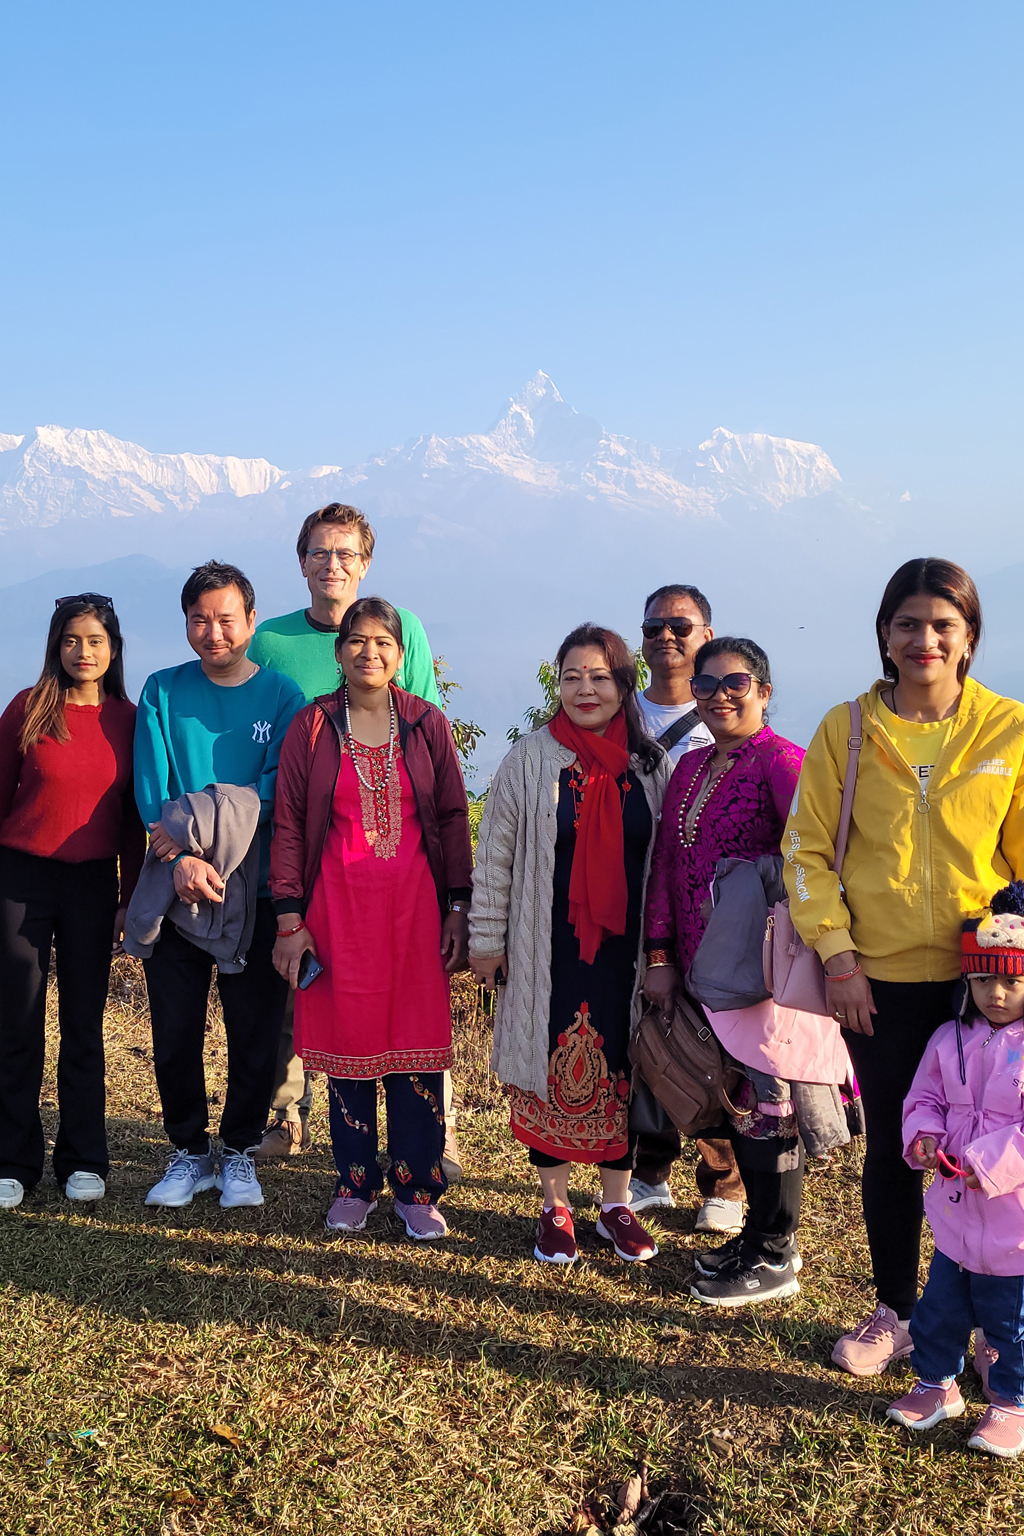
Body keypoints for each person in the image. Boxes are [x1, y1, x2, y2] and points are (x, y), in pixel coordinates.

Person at [784, 557, 1024, 1374]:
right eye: (908, 624)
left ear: (969, 639)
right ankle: (896, 1309)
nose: (925, 639)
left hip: (983, 984)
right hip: (876, 984)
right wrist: (839, 957)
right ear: (884, 637)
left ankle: (994, 1328)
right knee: (897, 1145)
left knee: (995, 1152)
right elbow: (807, 852)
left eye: (942, 625)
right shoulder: (846, 729)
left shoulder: (1008, 730)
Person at [246, 502, 458, 1171]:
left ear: (364, 563)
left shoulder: (408, 637)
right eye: (318, 552)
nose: (331, 564)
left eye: (345, 554)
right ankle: (288, 1115)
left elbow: (426, 755)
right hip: (311, 858)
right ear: (301, 561)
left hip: (402, 877)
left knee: (412, 999)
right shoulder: (271, 643)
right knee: (304, 989)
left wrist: (457, 895)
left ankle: (433, 1137)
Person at [469, 624, 673, 1265]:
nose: (586, 690)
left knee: (622, 1067)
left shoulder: (648, 766)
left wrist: (666, 953)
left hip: (626, 951)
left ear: (624, 685)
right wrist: (486, 939)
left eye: (601, 677)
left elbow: (666, 865)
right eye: (572, 677)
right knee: (545, 1068)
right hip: (543, 947)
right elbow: (495, 856)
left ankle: (615, 1204)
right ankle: (554, 1203)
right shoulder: (530, 760)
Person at [269, 597, 471, 1239]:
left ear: (400, 654)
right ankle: (355, 1182)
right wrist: (289, 918)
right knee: (349, 1047)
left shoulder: (426, 725)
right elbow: (291, 826)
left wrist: (459, 907)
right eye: (358, 641)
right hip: (337, 913)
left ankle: (417, 1189)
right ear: (339, 651)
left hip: (414, 911)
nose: (371, 653)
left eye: (384, 642)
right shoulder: (312, 728)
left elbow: (449, 817)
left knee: (414, 1051)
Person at [134, 561, 305, 1209]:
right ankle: (186, 1149)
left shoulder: (282, 696)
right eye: (200, 619)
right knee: (174, 1030)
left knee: (255, 1032)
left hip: (254, 891)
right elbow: (152, 791)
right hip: (177, 886)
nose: (214, 632)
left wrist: (194, 833)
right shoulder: (162, 692)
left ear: (251, 623)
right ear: (185, 623)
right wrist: (179, 861)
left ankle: (236, 1151)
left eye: (227, 619)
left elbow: (270, 791)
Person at [643, 637, 807, 1305]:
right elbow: (665, 864)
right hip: (700, 967)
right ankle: (756, 1239)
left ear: (764, 691)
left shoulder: (784, 764)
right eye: (706, 685)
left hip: (760, 973)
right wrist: (659, 953)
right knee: (740, 1103)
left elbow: (814, 862)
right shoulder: (692, 769)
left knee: (772, 1106)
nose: (718, 695)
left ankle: (776, 1251)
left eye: (734, 682)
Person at [0, 595, 145, 1209]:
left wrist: (127, 900)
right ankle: (11, 1162)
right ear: (55, 647)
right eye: (71, 640)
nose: (83, 652)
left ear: (113, 649)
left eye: (95, 640)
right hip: (19, 881)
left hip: (94, 886)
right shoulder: (27, 711)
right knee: (16, 1023)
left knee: (84, 1026)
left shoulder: (130, 720)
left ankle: (84, 1159)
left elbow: (137, 822)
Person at [886, 885, 1024, 1458]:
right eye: (983, 981)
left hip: (1014, 1231)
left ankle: (1012, 1405)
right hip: (953, 1218)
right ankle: (935, 1383)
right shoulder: (949, 1039)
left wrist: (985, 1164)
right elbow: (924, 1097)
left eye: (1012, 982)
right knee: (939, 1309)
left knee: (1011, 1325)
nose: (995, 994)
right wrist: (923, 1138)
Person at [629, 582, 746, 1238]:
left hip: (711, 909)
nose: (666, 638)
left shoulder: (727, 711)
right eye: (654, 628)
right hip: (631, 899)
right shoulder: (620, 713)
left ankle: (723, 1181)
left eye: (681, 626)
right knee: (645, 1038)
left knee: (713, 1046)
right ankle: (649, 1169)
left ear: (707, 633)